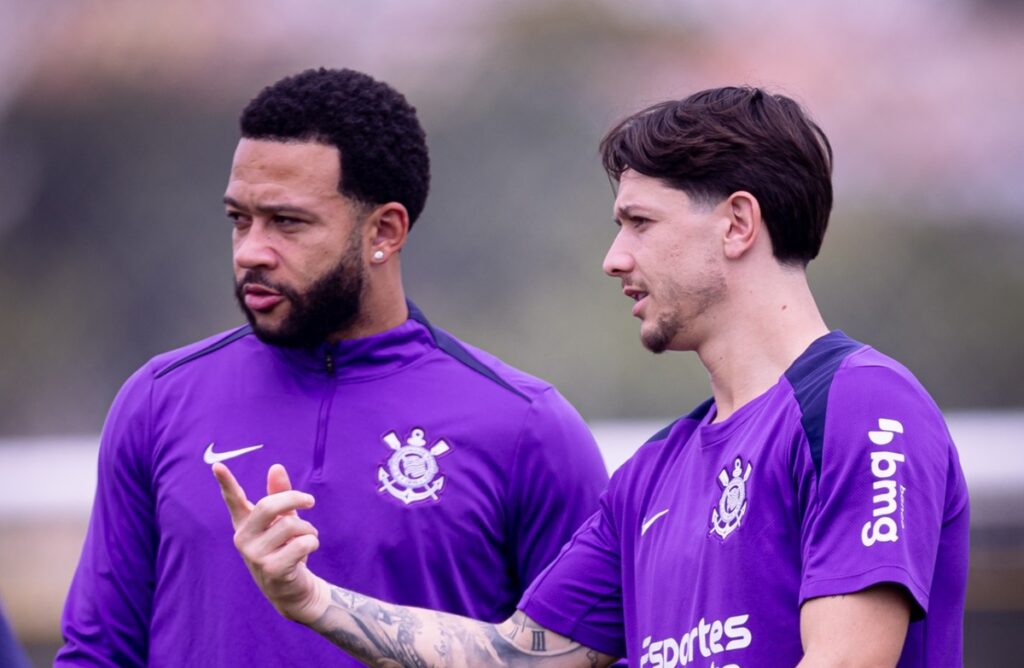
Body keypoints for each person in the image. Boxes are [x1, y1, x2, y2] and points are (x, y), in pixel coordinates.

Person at [215, 86, 970, 667]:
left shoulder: (861, 403)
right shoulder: (652, 475)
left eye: (640, 223)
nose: (615, 257)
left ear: (738, 224)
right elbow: (518, 653)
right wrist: (310, 599)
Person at [57, 68, 609, 667]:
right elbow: (97, 652)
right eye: (239, 219)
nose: (250, 251)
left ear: (385, 231)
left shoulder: (526, 428)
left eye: (287, 222)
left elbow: (590, 655)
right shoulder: (159, 401)